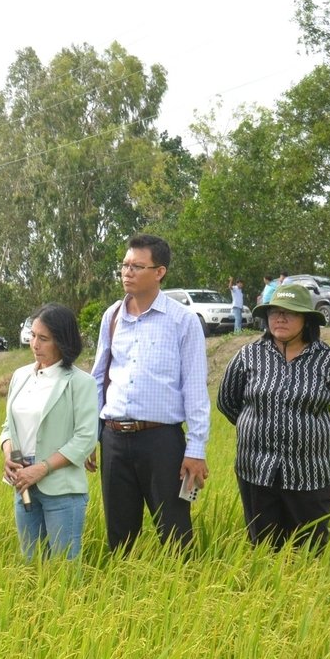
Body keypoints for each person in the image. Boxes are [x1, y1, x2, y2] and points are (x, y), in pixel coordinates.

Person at [88, 234, 210, 554]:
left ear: (159, 272)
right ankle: (124, 582)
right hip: (114, 438)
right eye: (125, 265)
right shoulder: (112, 316)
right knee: (119, 536)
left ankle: (180, 583)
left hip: (161, 442)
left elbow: (195, 388)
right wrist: (90, 436)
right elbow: (98, 378)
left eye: (137, 266)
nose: (127, 272)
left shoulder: (182, 321)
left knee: (175, 533)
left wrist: (196, 449)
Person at [217, 283, 330, 552]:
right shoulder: (248, 356)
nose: (280, 318)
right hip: (256, 470)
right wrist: (258, 427)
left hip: (310, 474)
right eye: (274, 312)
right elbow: (227, 401)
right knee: (263, 549)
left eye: (290, 313)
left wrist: (316, 438)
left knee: (309, 551)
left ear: (307, 319)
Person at [0, 304, 98, 561]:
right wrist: (9, 455)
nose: (35, 344)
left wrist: (42, 468)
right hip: (23, 481)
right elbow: (8, 426)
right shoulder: (20, 376)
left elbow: (85, 438)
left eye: (43, 338)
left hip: (61, 487)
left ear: (62, 342)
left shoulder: (80, 382)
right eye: (33, 335)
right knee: (32, 564)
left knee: (64, 568)